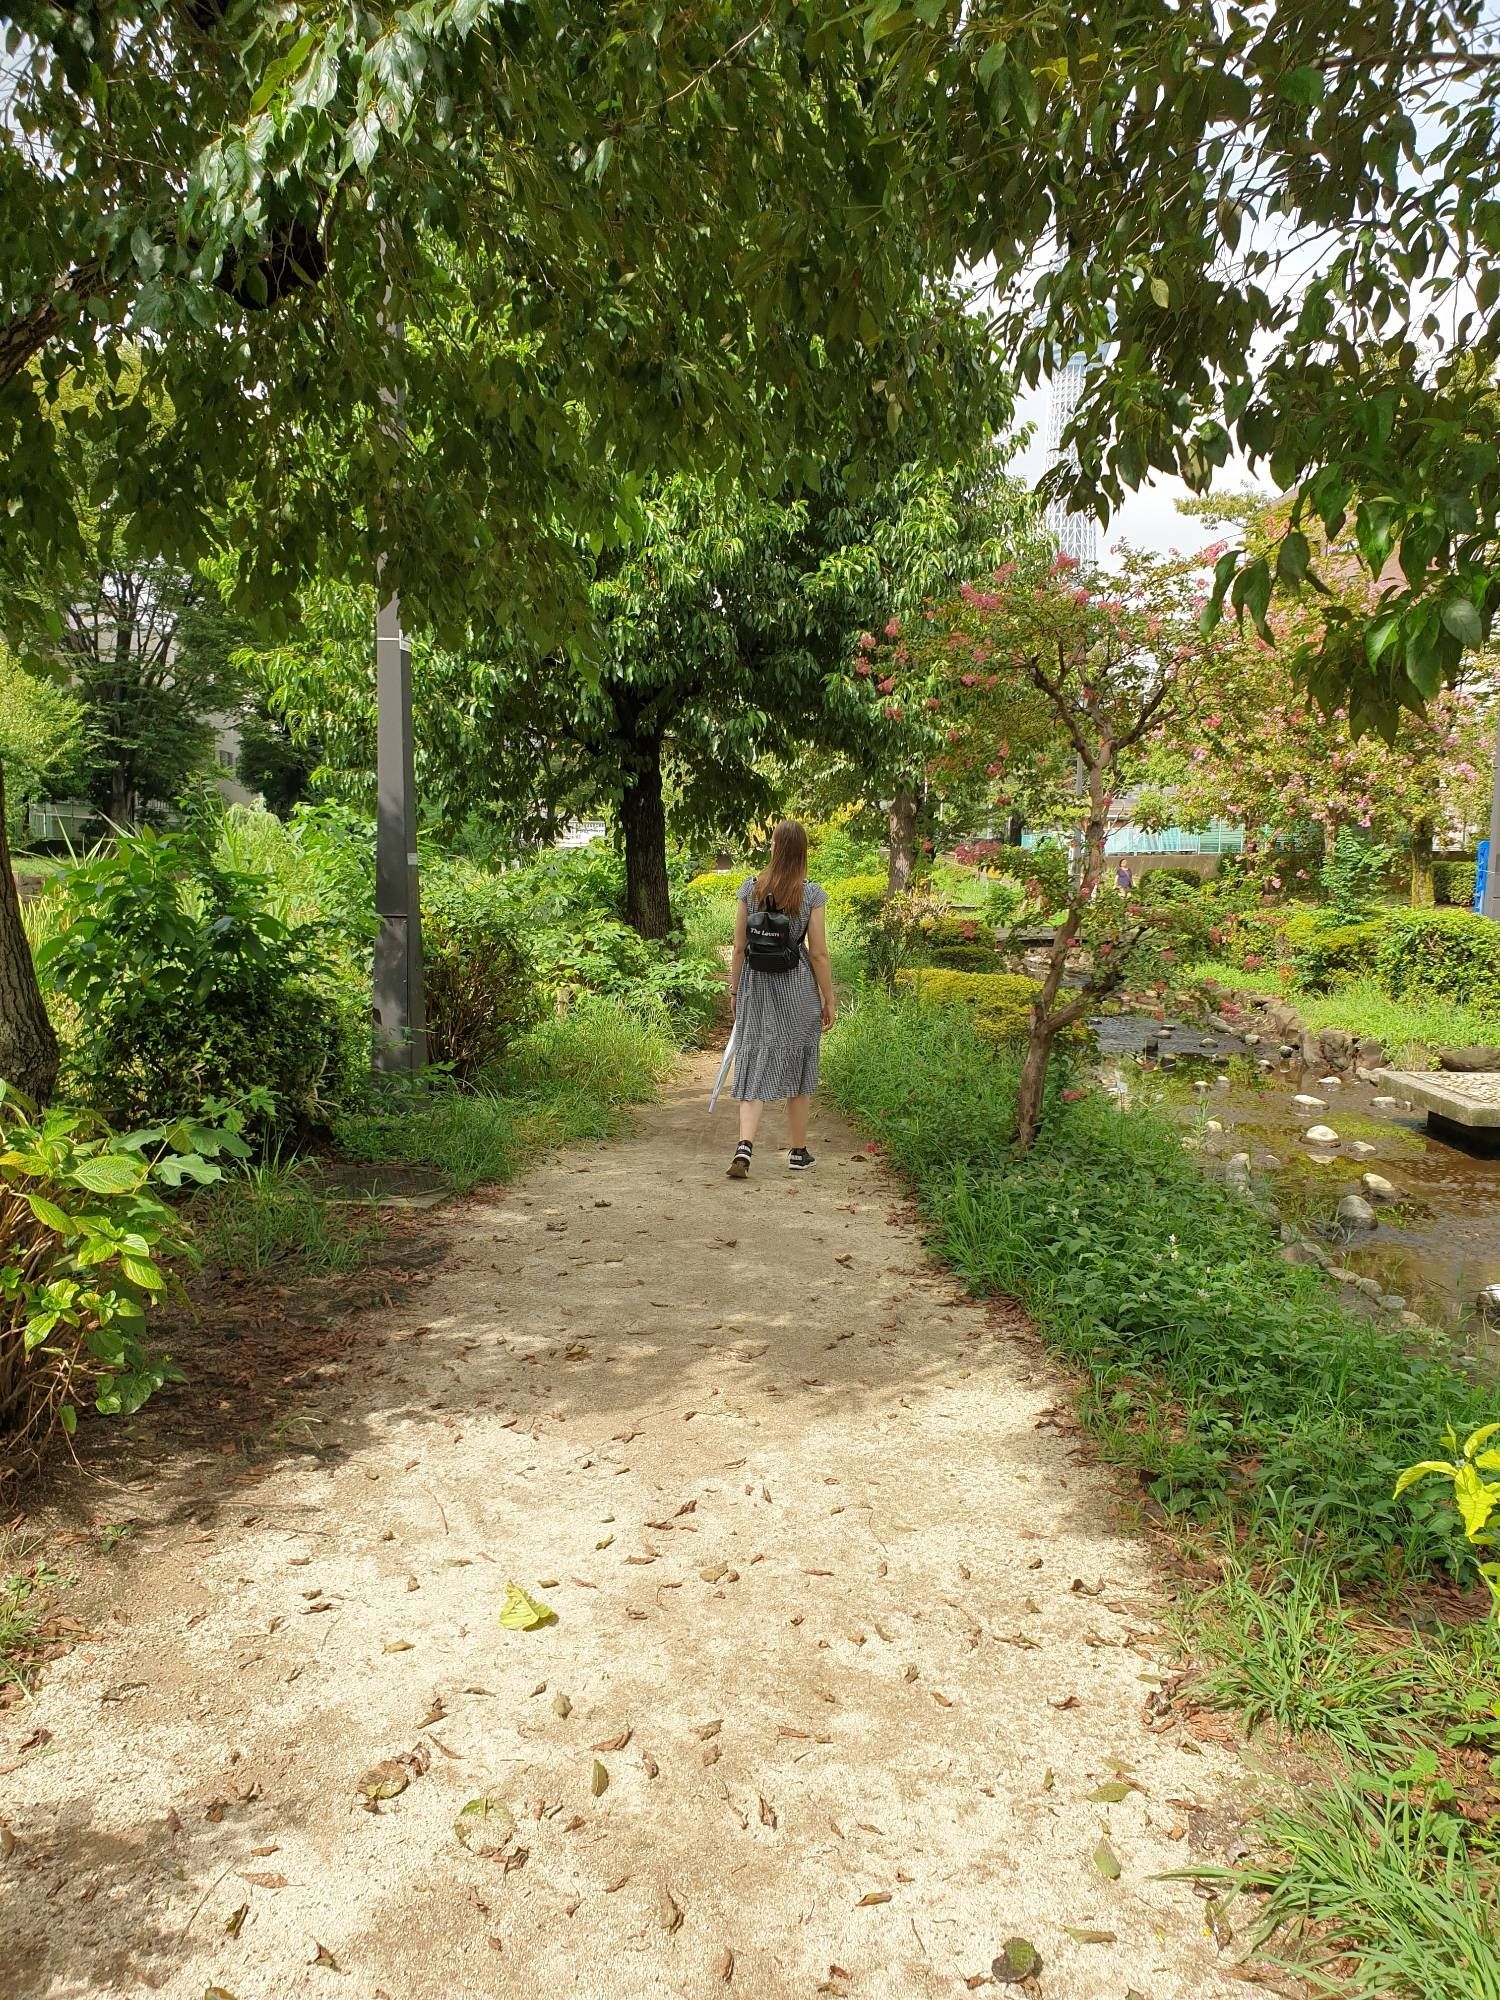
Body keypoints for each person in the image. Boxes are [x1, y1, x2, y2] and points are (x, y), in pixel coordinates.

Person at [725, 820, 835, 1179]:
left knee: (754, 1056)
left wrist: (735, 989)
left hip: (757, 986)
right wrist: (828, 997)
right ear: (803, 852)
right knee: (798, 1063)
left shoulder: (751, 889)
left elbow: (740, 947)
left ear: (774, 848)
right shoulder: (811, 894)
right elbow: (817, 953)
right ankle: (799, 1151)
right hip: (796, 987)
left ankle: (745, 1146)